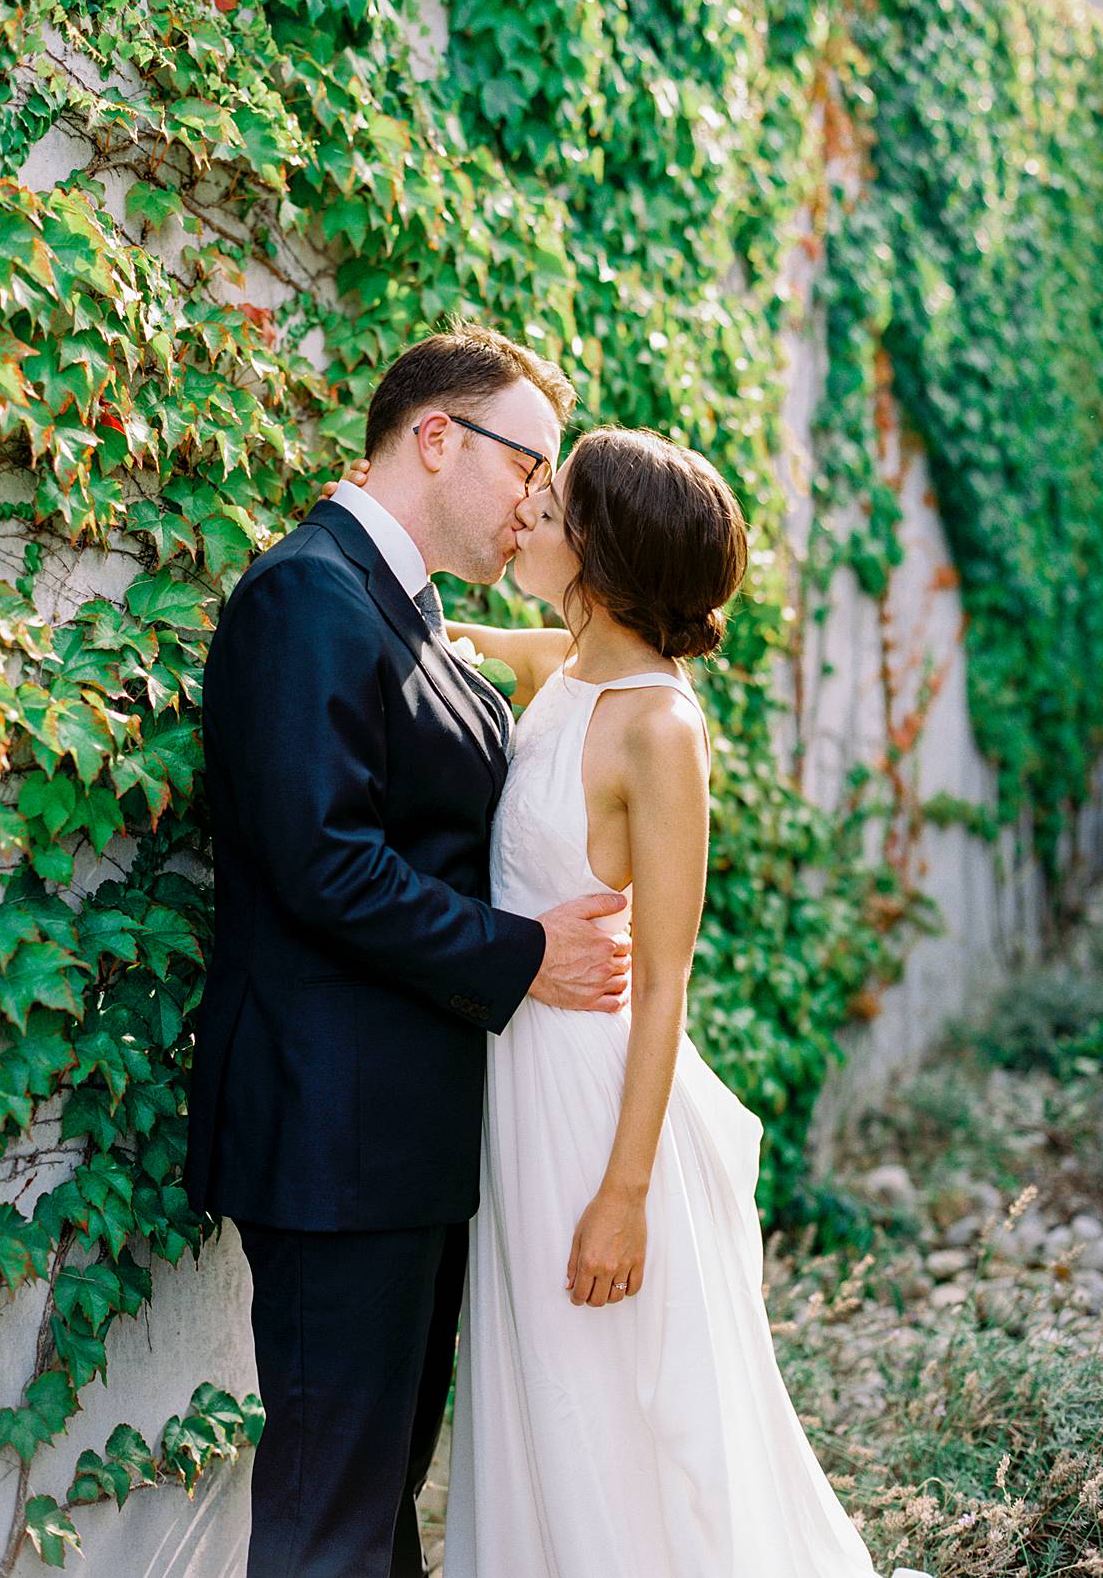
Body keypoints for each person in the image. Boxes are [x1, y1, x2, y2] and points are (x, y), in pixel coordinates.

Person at [336, 426, 932, 1578]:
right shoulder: (563, 669)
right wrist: (358, 528)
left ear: (601, 562)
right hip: (517, 1094)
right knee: (540, 1403)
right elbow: (438, 633)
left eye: (550, 511)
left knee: (616, 1421)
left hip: (600, 1119)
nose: (527, 518)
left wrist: (623, 1195)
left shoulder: (658, 728)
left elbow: (665, 983)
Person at [183, 324, 632, 1578]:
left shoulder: (411, 616)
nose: (536, 505)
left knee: (375, 1513)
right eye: (527, 467)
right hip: (335, 1139)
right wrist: (519, 952)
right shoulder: (305, 596)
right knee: (331, 1522)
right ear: (435, 437)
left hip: (398, 1143)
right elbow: (320, 859)